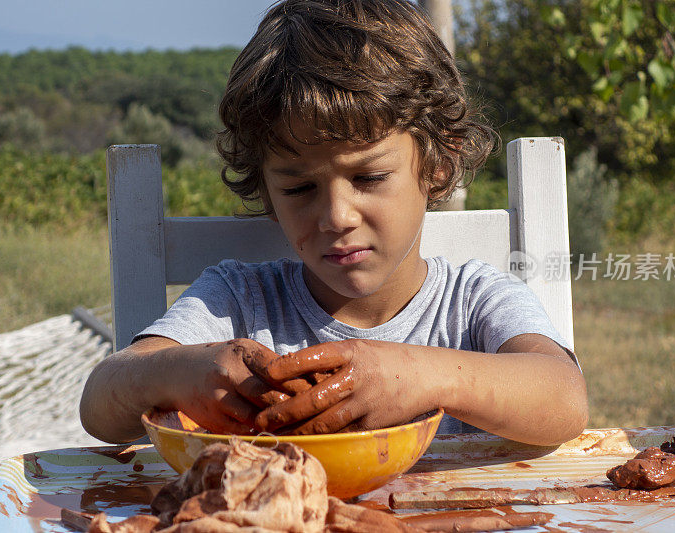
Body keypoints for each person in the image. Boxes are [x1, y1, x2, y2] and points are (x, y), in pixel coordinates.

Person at [80, 0, 587, 446]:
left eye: (368, 177)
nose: (336, 217)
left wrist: (425, 376)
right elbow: (100, 404)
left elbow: (564, 398)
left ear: (438, 165)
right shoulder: (236, 300)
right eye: (299, 188)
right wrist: (181, 370)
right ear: (265, 189)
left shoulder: (473, 302)